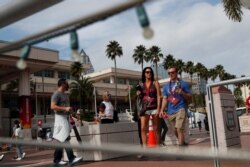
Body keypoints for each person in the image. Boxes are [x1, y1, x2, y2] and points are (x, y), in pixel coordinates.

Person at [51, 78, 82, 166]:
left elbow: (68, 109)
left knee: (62, 139)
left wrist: (74, 115)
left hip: (65, 118)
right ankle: (71, 158)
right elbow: (52, 106)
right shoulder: (56, 94)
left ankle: (57, 160)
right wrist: (65, 108)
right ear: (62, 84)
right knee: (64, 138)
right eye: (66, 83)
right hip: (60, 118)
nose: (68, 84)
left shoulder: (65, 95)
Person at [160, 66, 191, 146]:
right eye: (169, 73)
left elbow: (190, 97)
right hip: (170, 111)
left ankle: (180, 149)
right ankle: (183, 143)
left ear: (177, 73)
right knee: (174, 130)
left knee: (179, 128)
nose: (171, 74)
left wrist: (182, 93)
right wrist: (162, 110)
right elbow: (165, 99)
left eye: (173, 72)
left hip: (181, 108)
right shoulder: (166, 86)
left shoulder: (183, 84)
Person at [139, 67, 161, 147]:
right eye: (147, 72)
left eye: (150, 72)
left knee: (156, 129)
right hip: (144, 109)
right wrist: (138, 94)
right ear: (144, 74)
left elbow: (159, 96)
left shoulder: (155, 83)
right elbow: (139, 97)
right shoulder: (141, 85)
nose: (149, 73)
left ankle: (158, 148)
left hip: (154, 108)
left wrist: (159, 109)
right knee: (143, 129)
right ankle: (145, 148)